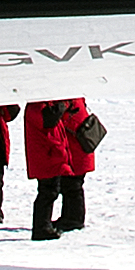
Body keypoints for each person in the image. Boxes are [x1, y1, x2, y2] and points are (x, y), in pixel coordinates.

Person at [23, 95, 98, 238]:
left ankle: (69, 220)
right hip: (65, 155)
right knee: (63, 188)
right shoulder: (67, 104)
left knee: (68, 187)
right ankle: (67, 219)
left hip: (72, 154)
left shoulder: (70, 105)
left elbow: (51, 118)